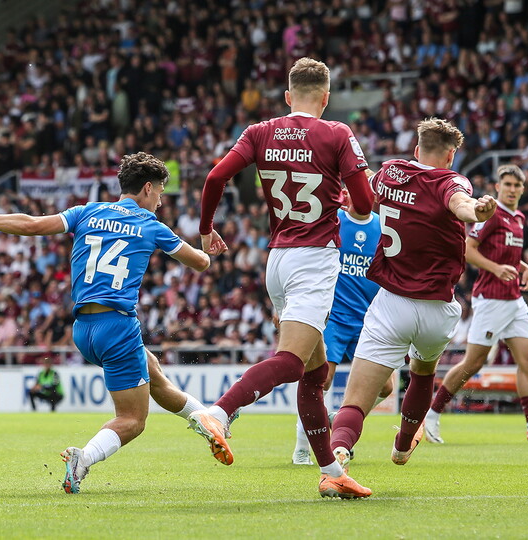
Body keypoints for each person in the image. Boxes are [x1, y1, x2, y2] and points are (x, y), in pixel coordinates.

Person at [0, 152, 211, 495]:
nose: (160, 202)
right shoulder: (151, 226)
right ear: (147, 189)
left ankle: (208, 419)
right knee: (133, 420)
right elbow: (201, 263)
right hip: (116, 326)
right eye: (160, 193)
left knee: (153, 370)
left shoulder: (87, 211)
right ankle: (84, 458)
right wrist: (207, 239)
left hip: (83, 331)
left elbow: (30, 225)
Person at [191, 57, 375, 499]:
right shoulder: (337, 133)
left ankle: (331, 471)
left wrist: (205, 229)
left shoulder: (260, 131)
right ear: (326, 98)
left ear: (288, 96)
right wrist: (349, 201)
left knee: (315, 374)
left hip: (277, 260)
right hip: (314, 259)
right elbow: (366, 206)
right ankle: (219, 411)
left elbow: (216, 177)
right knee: (293, 363)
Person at [328, 117, 497, 471]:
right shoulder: (452, 180)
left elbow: (364, 199)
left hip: (392, 304)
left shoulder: (389, 172)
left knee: (355, 401)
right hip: (438, 309)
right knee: (423, 372)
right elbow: (460, 204)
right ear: (451, 155)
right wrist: (477, 211)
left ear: (417, 149)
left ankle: (339, 456)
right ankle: (403, 447)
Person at [423, 164, 528, 444]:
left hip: (513, 299)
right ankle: (431, 415)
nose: (512, 189)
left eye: (517, 185)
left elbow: (507, 255)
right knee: (473, 363)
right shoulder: (490, 215)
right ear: (498, 187)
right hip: (490, 299)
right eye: (508, 184)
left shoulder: (519, 217)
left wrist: (522, 266)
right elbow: (468, 249)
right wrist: (496, 268)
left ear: (523, 189)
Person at [291, 188, 391, 466]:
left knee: (386, 388)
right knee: (321, 379)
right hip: (333, 315)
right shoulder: (334, 219)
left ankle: (341, 418)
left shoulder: (384, 227)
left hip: (369, 318)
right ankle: (302, 446)